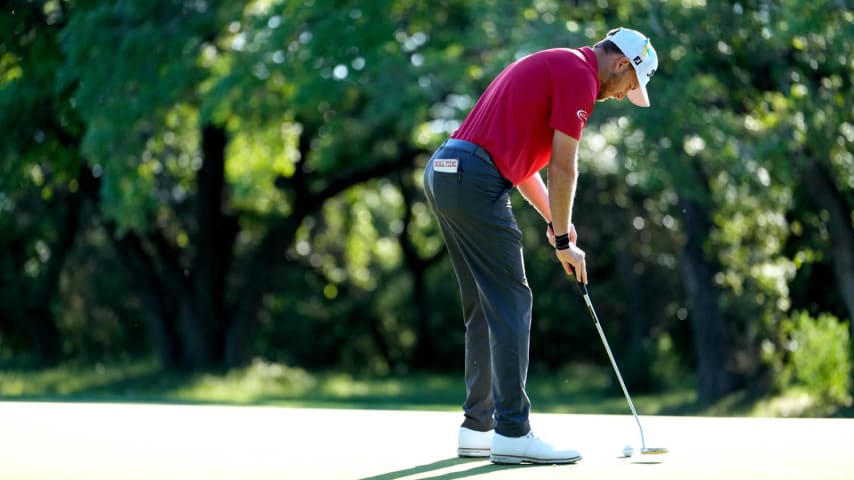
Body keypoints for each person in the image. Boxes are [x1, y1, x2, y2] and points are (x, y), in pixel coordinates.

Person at [422, 27, 659, 464]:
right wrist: (566, 240)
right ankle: (513, 432)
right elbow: (565, 166)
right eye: (631, 86)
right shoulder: (582, 76)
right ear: (623, 63)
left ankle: (479, 427)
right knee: (512, 301)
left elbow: (522, 166)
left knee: (484, 304)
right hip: (474, 179)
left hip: (445, 170)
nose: (626, 95)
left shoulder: (562, 63)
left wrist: (555, 220)